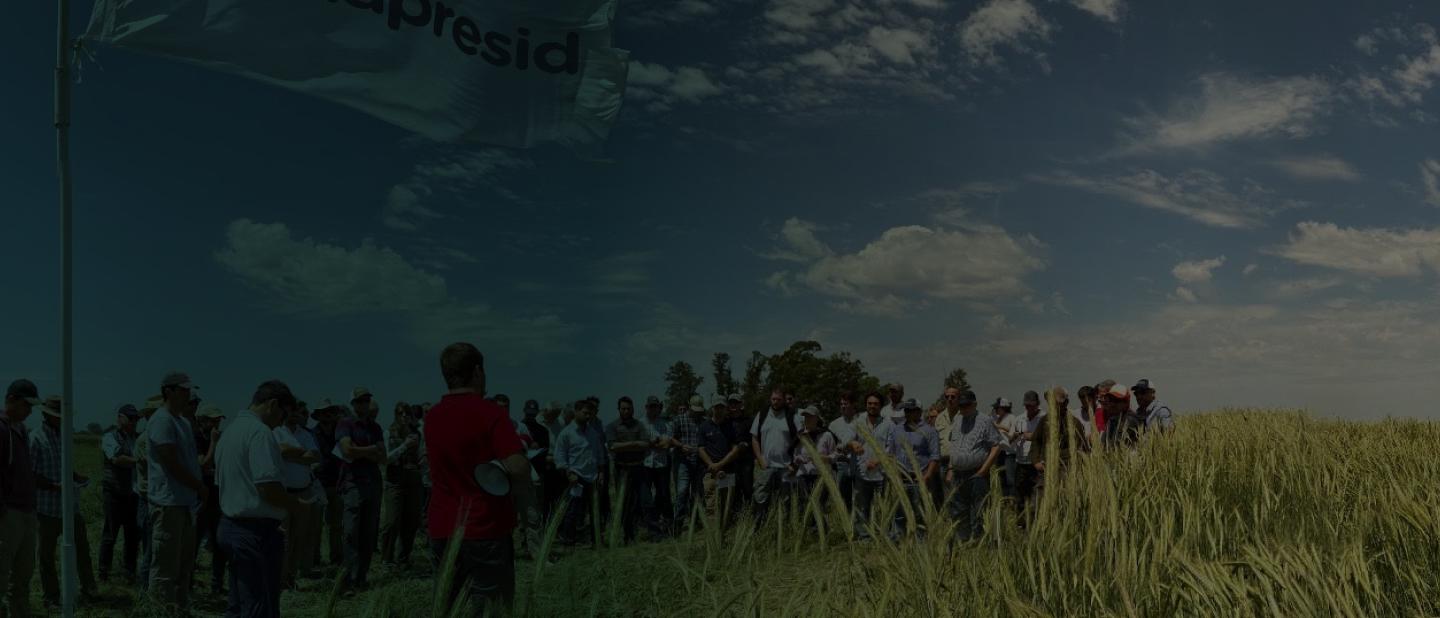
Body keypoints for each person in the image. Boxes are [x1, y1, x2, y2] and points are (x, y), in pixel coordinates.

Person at [425, 343, 534, 616]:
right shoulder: (491, 413)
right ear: (476, 372)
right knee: (491, 608)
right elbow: (518, 467)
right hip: (485, 526)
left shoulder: (432, 417)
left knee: (447, 606)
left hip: (442, 526)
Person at [215, 380, 311, 618]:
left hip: (231, 526)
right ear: (273, 404)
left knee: (238, 605)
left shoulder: (230, 432)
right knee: (259, 607)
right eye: (284, 415)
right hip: (255, 533)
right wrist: (295, 505)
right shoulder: (260, 433)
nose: (282, 422)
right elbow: (268, 487)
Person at [30, 396, 99, 608]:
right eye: (57, 415)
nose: (61, 419)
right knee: (46, 557)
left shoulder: (64, 437)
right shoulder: (36, 438)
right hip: (47, 509)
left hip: (69, 507)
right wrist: (54, 486)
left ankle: (89, 590)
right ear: (46, 414)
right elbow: (30, 474)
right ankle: (51, 598)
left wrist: (76, 477)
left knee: (82, 549)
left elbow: (65, 467)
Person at [147, 371, 205, 614]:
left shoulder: (182, 422)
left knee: (183, 565)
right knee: (165, 567)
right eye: (183, 390)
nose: (188, 395)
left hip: (185, 502)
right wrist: (198, 486)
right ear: (168, 391)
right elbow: (170, 461)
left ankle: (180, 609)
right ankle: (162, 611)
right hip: (168, 503)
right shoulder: (162, 420)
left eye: (189, 390)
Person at [337, 387, 389, 593]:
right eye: (360, 401)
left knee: (368, 533)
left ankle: (361, 577)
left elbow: (383, 457)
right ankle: (349, 578)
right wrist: (371, 450)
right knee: (351, 532)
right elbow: (347, 450)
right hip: (353, 483)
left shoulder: (375, 427)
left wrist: (360, 451)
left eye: (366, 401)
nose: (364, 404)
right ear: (353, 404)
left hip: (372, 483)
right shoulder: (345, 424)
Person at [0, 379, 41, 618]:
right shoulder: (2, 428)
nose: (30, 411)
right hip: (8, 514)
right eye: (27, 405)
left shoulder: (22, 430)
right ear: (11, 399)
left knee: (23, 575)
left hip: (26, 511)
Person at [272, 400, 322, 588]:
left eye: (298, 411)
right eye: (291, 411)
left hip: (304, 492)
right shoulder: (276, 431)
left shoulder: (305, 434)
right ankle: (280, 579)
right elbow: (280, 452)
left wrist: (292, 455)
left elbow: (315, 456)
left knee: (299, 538)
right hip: (284, 493)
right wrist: (302, 454)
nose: (294, 414)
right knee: (283, 539)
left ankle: (291, 577)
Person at [943, 391, 1003, 543]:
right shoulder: (957, 420)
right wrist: (950, 469)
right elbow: (954, 446)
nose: (963, 408)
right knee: (958, 510)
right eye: (961, 405)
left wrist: (983, 471)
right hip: (957, 474)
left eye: (966, 405)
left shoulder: (985, 421)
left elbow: (996, 446)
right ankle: (963, 541)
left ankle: (979, 541)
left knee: (979, 509)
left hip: (976, 474)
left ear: (975, 404)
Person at [99, 403, 142, 584]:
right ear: (119, 418)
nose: (134, 421)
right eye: (130, 418)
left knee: (132, 536)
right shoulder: (109, 437)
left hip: (133, 494)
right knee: (110, 535)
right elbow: (117, 459)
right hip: (114, 493)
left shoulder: (137, 438)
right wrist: (140, 460)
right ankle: (103, 573)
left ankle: (129, 572)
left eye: (136, 418)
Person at [886, 399, 940, 540]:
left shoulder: (929, 431)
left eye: (911, 410)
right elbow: (891, 454)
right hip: (900, 479)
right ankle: (899, 542)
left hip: (919, 479)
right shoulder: (897, 430)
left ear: (919, 412)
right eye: (906, 410)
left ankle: (921, 543)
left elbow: (935, 457)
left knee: (920, 514)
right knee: (899, 513)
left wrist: (927, 476)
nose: (907, 413)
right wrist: (893, 474)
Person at [605, 397, 655, 545]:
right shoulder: (612, 426)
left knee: (647, 500)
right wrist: (634, 443)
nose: (626, 411)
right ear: (619, 409)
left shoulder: (639, 425)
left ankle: (654, 533)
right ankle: (628, 536)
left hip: (638, 467)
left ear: (632, 409)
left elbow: (646, 444)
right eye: (623, 408)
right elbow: (612, 446)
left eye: (628, 408)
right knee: (625, 503)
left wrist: (625, 445)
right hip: (622, 469)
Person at [381, 402, 424, 571]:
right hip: (395, 481)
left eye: (407, 413)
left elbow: (420, 455)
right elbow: (386, 458)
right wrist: (404, 446)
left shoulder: (417, 433)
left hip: (413, 480)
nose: (404, 416)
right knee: (392, 522)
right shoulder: (388, 433)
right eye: (400, 413)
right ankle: (386, 559)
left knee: (411, 521)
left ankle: (404, 559)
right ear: (395, 415)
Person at [1031, 387, 1091, 505]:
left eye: (1056, 403)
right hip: (1047, 468)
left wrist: (1083, 467)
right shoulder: (1044, 421)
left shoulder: (1074, 423)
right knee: (1039, 502)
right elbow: (1035, 442)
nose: (1053, 406)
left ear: (1066, 403)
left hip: (1068, 469)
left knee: (1066, 502)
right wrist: (1036, 461)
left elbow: (1084, 447)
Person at [554, 399, 603, 546]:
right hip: (576, 478)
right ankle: (569, 541)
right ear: (576, 411)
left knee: (595, 511)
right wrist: (569, 473)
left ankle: (596, 541)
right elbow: (559, 456)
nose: (588, 416)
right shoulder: (566, 433)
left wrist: (601, 472)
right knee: (573, 511)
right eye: (585, 413)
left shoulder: (593, 433)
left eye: (590, 414)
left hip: (592, 477)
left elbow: (599, 453)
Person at [749, 388, 797, 526]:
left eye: (778, 400)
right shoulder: (763, 414)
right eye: (773, 399)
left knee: (785, 501)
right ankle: (759, 529)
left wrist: (793, 463)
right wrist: (760, 458)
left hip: (785, 467)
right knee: (761, 498)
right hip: (766, 466)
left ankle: (783, 530)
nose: (775, 402)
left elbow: (800, 439)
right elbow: (754, 438)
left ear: (784, 400)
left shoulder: (791, 416)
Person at [850, 391, 894, 541]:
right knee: (862, 507)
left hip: (881, 473)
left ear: (881, 406)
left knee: (883, 506)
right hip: (862, 473)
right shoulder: (857, 423)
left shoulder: (888, 424)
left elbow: (890, 447)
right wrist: (851, 444)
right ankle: (864, 537)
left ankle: (884, 536)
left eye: (876, 404)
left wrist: (877, 460)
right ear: (866, 405)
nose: (872, 406)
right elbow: (849, 439)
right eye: (870, 403)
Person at [193, 402, 227, 596]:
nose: (216, 425)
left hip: (216, 497)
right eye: (212, 421)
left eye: (218, 421)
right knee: (194, 542)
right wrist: (214, 443)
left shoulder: (219, 438)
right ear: (202, 420)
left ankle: (217, 584)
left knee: (219, 543)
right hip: (200, 497)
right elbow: (203, 465)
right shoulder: (197, 438)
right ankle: (187, 584)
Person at [309, 399, 344, 568]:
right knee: (316, 526)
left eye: (330, 412)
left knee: (336, 525)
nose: (327, 415)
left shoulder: (340, 432)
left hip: (337, 483)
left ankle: (336, 559)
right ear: (318, 416)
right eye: (323, 412)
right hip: (319, 484)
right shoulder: (311, 434)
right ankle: (315, 560)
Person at [697, 397, 741, 527]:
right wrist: (711, 465)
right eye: (717, 407)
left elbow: (735, 449)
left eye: (722, 407)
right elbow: (700, 449)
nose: (719, 410)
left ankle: (725, 533)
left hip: (728, 471)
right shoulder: (704, 426)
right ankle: (713, 534)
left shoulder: (731, 426)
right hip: (710, 472)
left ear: (725, 408)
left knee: (727, 505)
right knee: (711, 506)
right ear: (712, 408)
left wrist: (720, 464)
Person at [133, 395, 160, 593]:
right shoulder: (145, 440)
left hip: (155, 499)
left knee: (155, 550)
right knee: (150, 551)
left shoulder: (154, 439)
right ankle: (144, 593)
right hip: (148, 499)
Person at [931, 388, 974, 510]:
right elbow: (936, 441)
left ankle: (959, 517)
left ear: (959, 399)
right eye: (947, 397)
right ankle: (949, 518)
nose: (949, 399)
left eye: (953, 397)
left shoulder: (964, 416)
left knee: (959, 495)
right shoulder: (939, 418)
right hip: (942, 462)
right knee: (945, 495)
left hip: (959, 463)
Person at [668, 395, 705, 531]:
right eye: (695, 410)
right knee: (682, 491)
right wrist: (681, 445)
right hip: (683, 461)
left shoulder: (703, 421)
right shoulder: (679, 420)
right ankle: (678, 524)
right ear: (690, 407)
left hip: (698, 462)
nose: (697, 413)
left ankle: (696, 521)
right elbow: (670, 438)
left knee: (697, 492)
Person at [637, 396, 673, 537]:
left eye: (655, 406)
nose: (653, 409)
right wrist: (654, 443)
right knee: (647, 498)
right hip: (645, 464)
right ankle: (652, 529)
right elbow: (639, 444)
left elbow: (666, 443)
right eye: (650, 406)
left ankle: (666, 526)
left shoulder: (665, 424)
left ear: (659, 408)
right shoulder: (640, 424)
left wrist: (650, 444)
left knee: (663, 495)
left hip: (661, 464)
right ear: (646, 407)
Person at [789, 406, 837, 504]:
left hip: (821, 476)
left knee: (819, 506)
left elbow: (835, 456)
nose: (807, 419)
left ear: (817, 419)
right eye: (805, 417)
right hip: (803, 475)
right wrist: (798, 459)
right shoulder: (800, 435)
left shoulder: (826, 435)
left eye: (810, 417)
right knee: (804, 505)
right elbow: (795, 455)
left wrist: (825, 458)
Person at [827, 392, 861, 513]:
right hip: (841, 464)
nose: (842, 406)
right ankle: (845, 519)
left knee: (859, 497)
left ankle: (858, 519)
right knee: (842, 497)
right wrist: (840, 448)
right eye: (841, 404)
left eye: (845, 404)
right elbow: (831, 446)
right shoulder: (834, 424)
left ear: (853, 404)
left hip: (858, 464)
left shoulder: (861, 421)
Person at [724, 394, 755, 513]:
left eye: (736, 403)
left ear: (740, 404)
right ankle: (735, 514)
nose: (733, 405)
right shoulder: (725, 421)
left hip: (746, 459)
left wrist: (746, 444)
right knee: (732, 488)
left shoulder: (749, 420)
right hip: (730, 461)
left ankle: (748, 513)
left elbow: (755, 439)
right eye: (731, 403)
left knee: (747, 487)